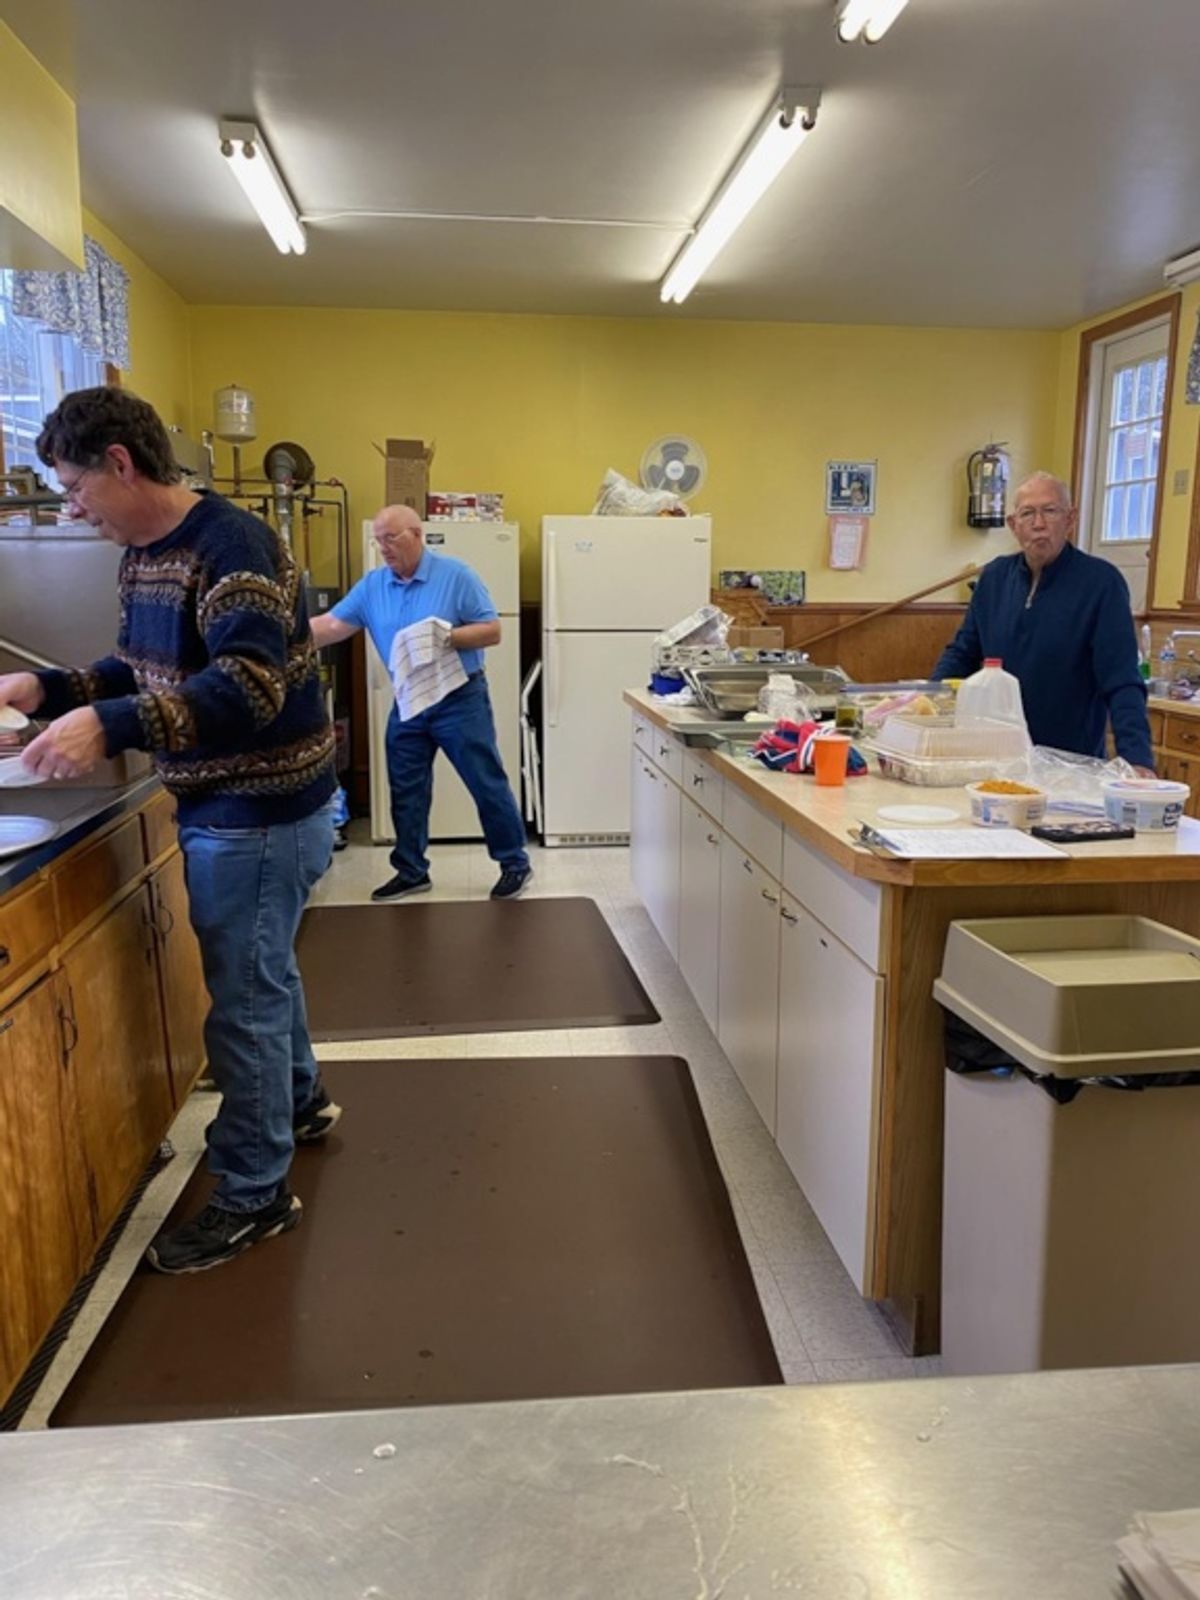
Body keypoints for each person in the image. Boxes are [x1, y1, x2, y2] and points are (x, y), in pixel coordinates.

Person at [0, 386, 340, 1273]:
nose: (73, 508)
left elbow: (246, 687)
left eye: (75, 487)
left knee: (244, 1000)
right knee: (263, 973)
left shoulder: (232, 545)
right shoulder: (146, 552)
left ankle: (255, 1193)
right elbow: (142, 664)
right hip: (230, 803)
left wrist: (110, 726)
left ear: (120, 463)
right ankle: (300, 1103)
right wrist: (52, 689)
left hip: (258, 808)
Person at [311, 505, 532, 901]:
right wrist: (275, 636)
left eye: (390, 538)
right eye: (378, 540)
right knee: (406, 789)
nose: (383, 547)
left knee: (485, 782)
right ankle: (411, 871)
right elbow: (330, 626)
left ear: (416, 534)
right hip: (409, 699)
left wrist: (446, 637)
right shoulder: (373, 585)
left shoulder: (457, 576)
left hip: (459, 698)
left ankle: (514, 863)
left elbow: (492, 630)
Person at [933, 471, 1154, 772]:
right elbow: (962, 653)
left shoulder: (1102, 583)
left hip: (1070, 766)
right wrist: (928, 702)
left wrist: (1138, 760)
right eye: (1028, 513)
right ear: (1013, 525)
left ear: (1070, 519)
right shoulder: (994, 578)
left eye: (1050, 511)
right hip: (994, 760)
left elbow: (1122, 679)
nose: (1039, 523)